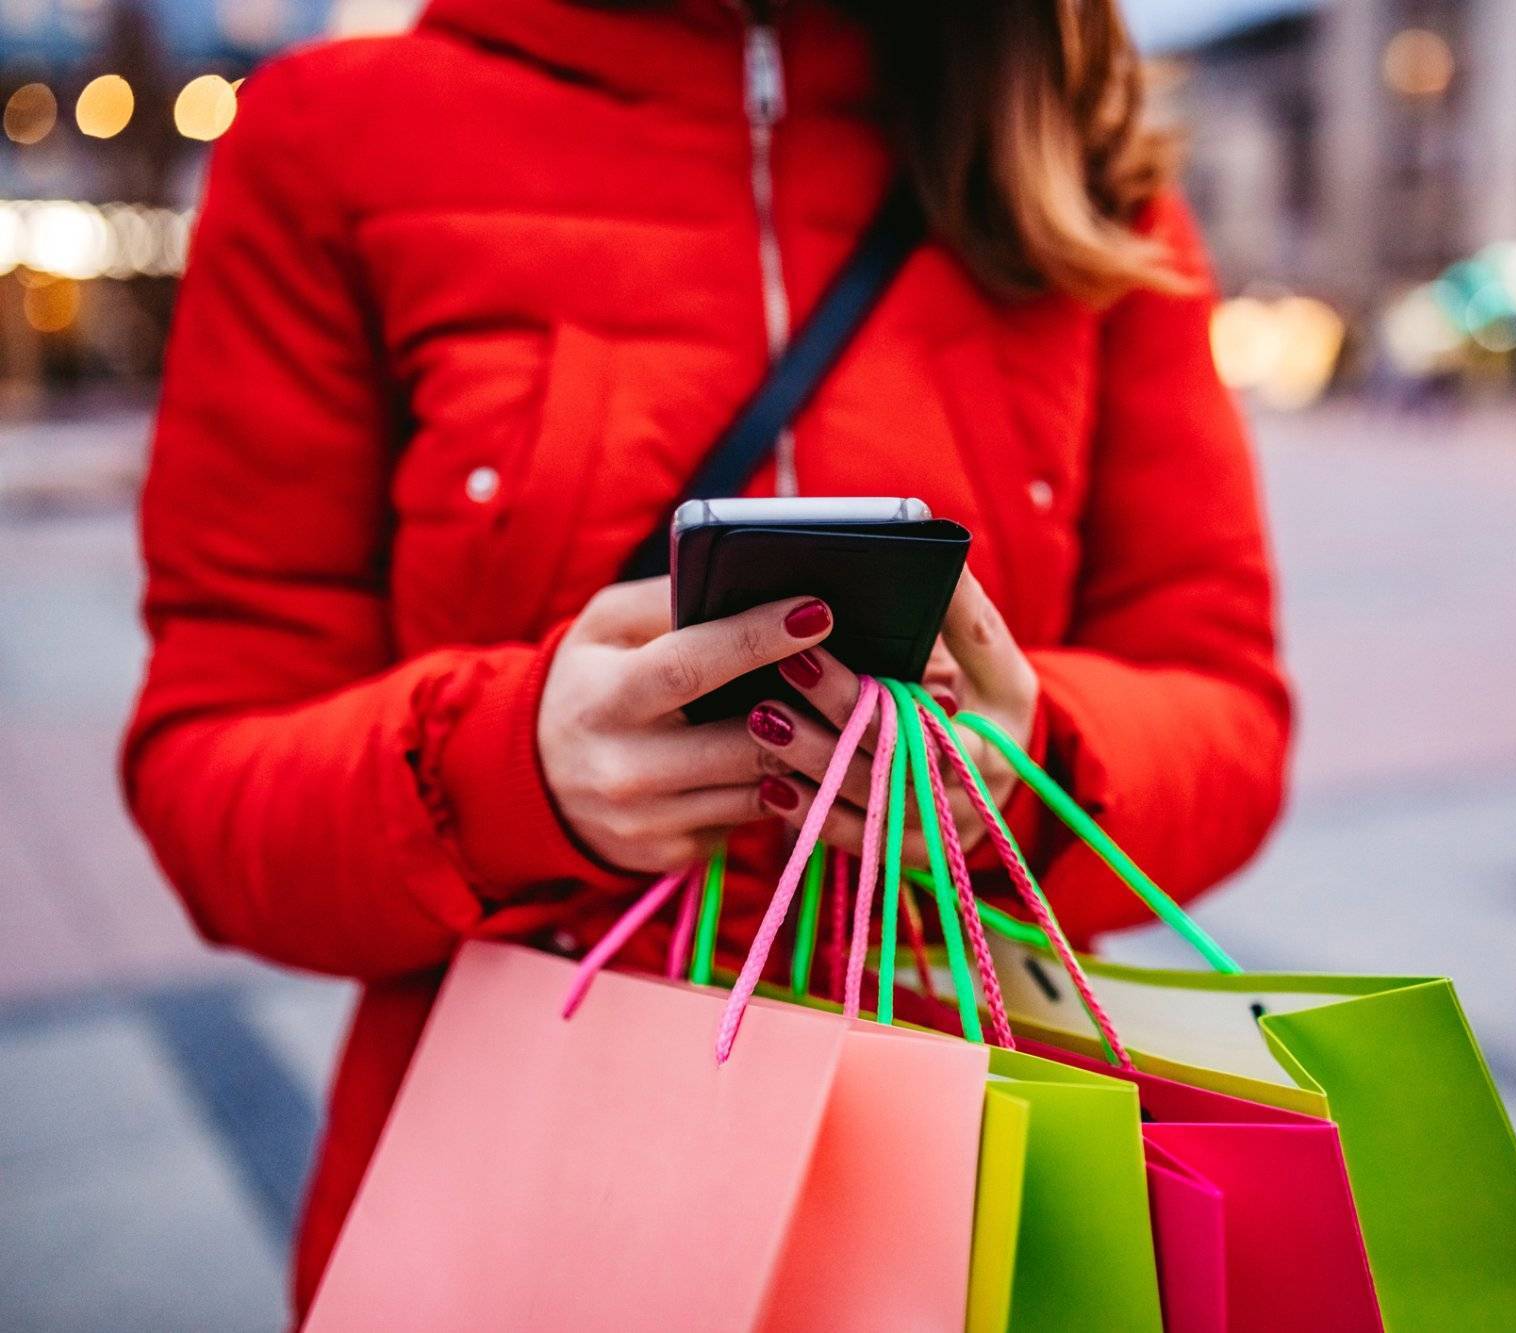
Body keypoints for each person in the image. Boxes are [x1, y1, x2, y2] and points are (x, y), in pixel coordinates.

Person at [121, 0, 1290, 1316]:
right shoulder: (331, 140)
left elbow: (1229, 709)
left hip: (985, 1159)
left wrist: (1033, 768)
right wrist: (512, 771)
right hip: (527, 1185)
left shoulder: (1071, 157)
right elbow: (209, 775)